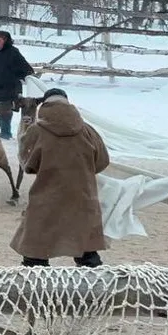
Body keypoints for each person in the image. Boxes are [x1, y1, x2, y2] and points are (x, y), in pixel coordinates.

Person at [10, 88, 110, 267]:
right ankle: (95, 292)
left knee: (35, 259)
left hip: (45, 199)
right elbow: (102, 162)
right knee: (88, 257)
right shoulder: (87, 131)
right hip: (82, 198)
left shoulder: (36, 131)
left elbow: (28, 165)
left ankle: (35, 293)